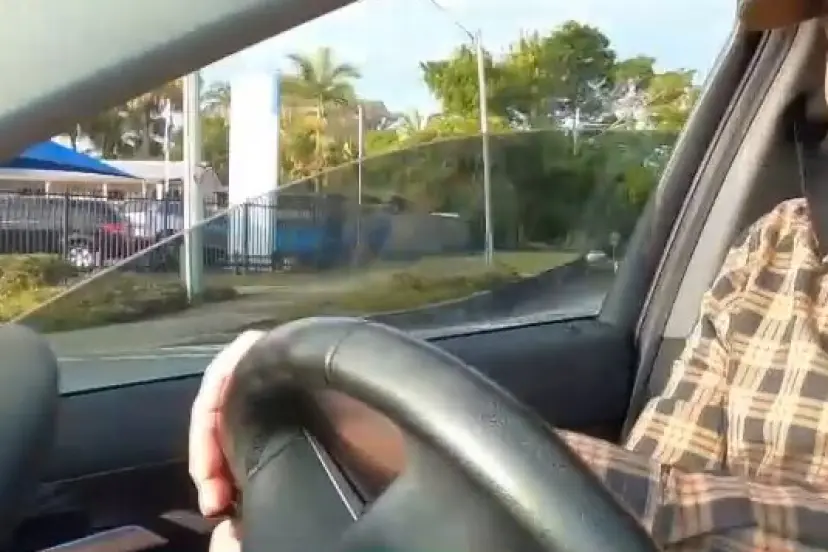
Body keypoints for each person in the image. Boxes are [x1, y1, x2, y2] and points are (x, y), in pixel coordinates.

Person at [189, 2, 828, 551]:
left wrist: (401, 455)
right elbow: (654, 478)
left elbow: (657, 506)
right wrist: (340, 441)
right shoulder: (774, 247)